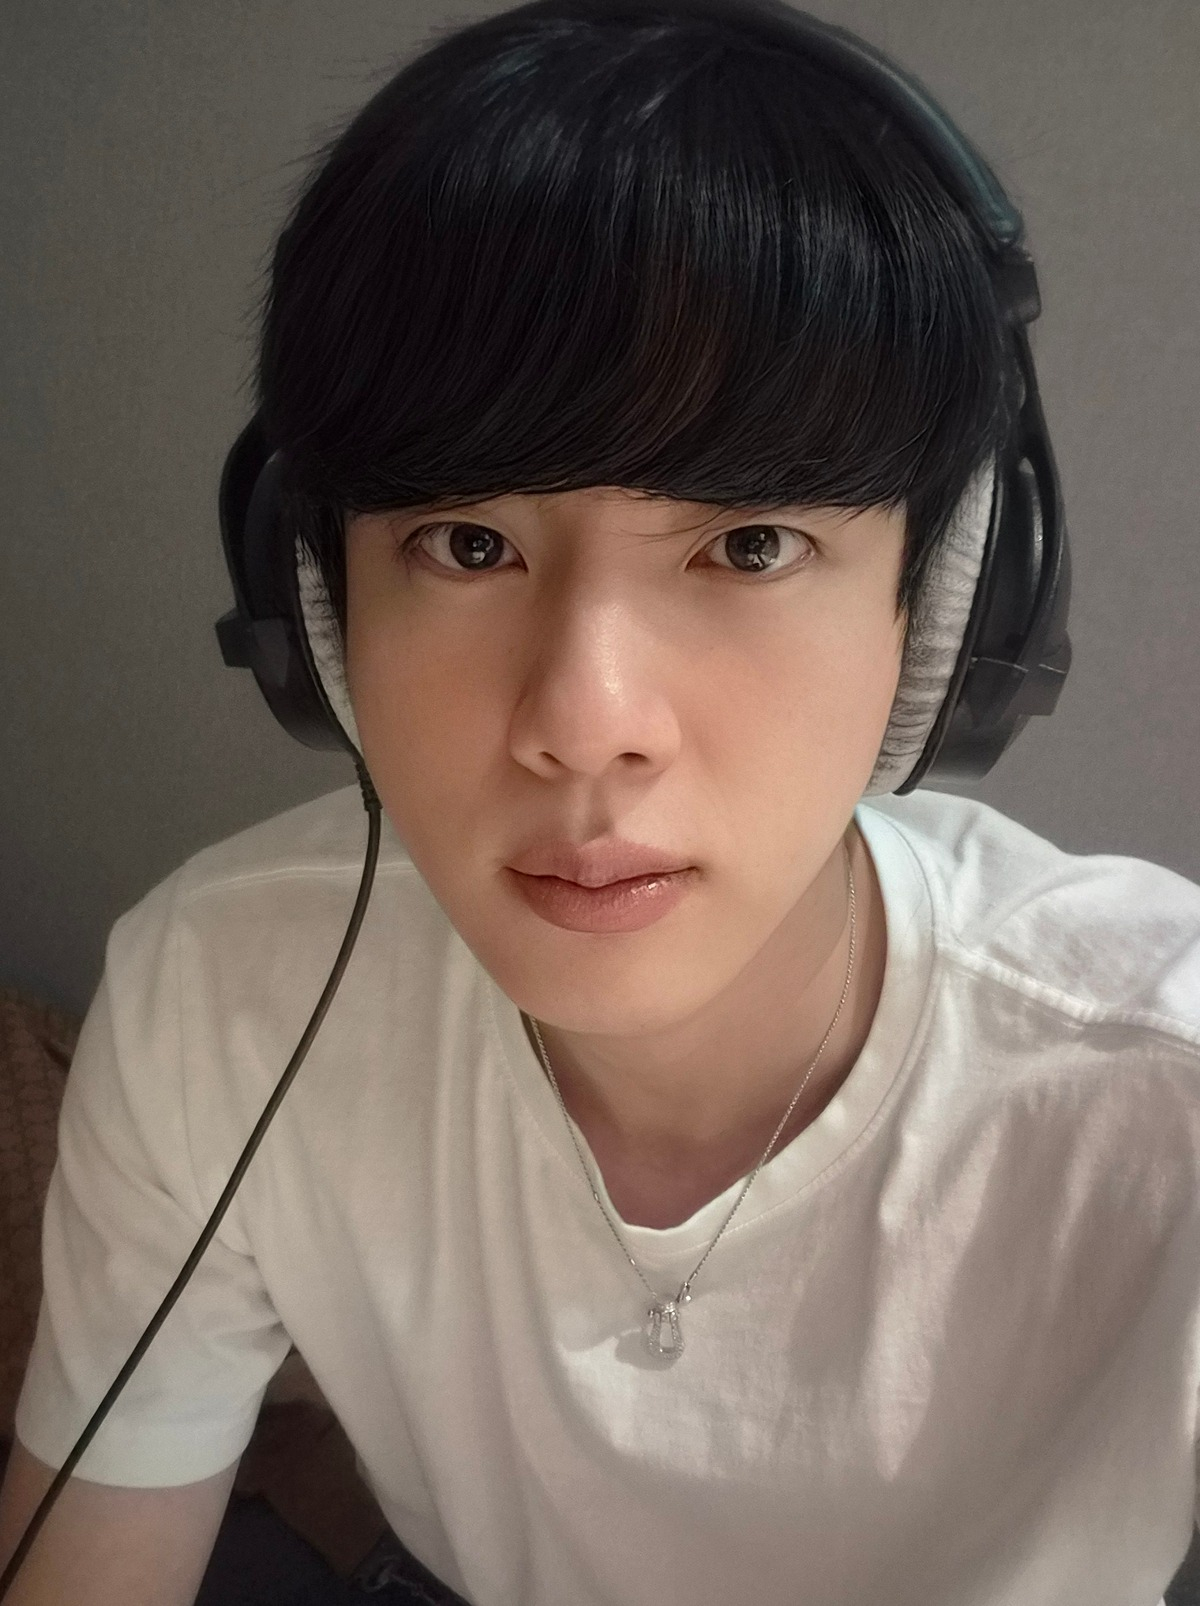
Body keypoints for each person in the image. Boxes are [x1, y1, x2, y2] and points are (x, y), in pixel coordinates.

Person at [3, 1, 1200, 1602]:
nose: (583, 726)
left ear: (946, 616)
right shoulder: (215, 1001)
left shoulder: (1161, 1094)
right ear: (319, 611)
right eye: (468, 544)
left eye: (751, 545)